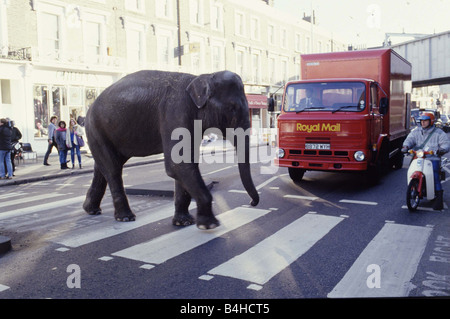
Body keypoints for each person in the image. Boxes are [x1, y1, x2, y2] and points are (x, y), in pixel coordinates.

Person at [402, 112, 450, 210]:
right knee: (411, 169)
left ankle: (438, 198)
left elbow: (445, 144)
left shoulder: (439, 132)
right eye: (422, 121)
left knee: (435, 175)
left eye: (425, 121)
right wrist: (406, 146)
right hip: (419, 157)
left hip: (432, 158)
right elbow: (410, 139)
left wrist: (441, 150)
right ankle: (414, 187)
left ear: (431, 121)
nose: (423, 123)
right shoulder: (416, 131)